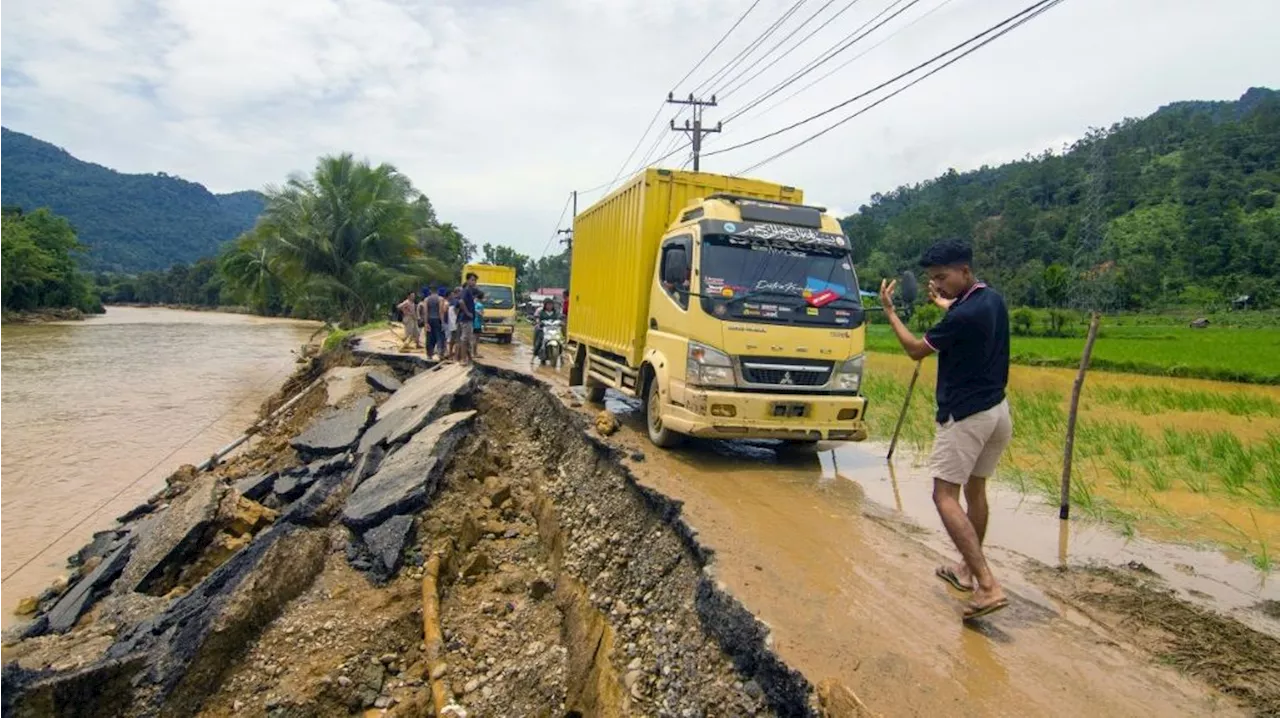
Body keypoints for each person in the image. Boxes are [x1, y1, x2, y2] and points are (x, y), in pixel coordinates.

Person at [877, 238, 1012, 621]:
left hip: (965, 416)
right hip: (998, 412)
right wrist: (946, 303)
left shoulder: (961, 317)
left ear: (965, 271)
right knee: (976, 490)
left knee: (944, 496)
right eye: (933, 278)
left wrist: (890, 313)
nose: (937, 284)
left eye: (942, 277)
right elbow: (962, 312)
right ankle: (966, 571)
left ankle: (987, 584)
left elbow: (916, 349)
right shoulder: (991, 300)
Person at [458, 272, 479, 364]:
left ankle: (469, 358)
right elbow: (461, 302)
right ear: (467, 280)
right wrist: (467, 312)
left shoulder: (470, 291)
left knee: (468, 339)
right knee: (465, 339)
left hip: (469, 319)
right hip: (465, 318)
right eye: (472, 280)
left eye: (475, 280)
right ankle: (463, 359)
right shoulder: (466, 291)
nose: (474, 282)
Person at [423, 287, 444, 360]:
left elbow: (425, 312)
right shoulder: (440, 299)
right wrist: (443, 322)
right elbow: (441, 311)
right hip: (437, 319)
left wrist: (425, 323)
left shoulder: (426, 299)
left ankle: (429, 355)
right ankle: (440, 354)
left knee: (429, 337)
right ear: (437, 291)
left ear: (430, 291)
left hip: (429, 320)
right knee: (439, 337)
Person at [471, 289, 486, 360]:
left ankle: (473, 353)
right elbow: (481, 316)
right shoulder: (480, 305)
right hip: (477, 324)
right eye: (484, 297)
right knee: (476, 339)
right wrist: (484, 324)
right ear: (482, 298)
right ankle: (474, 353)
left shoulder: (474, 304)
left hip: (472, 323)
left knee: (473, 339)